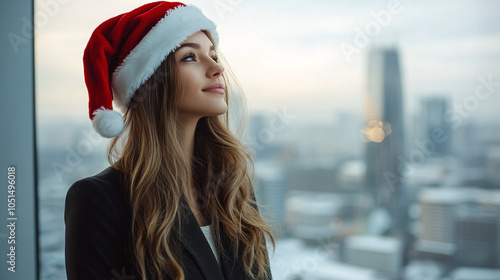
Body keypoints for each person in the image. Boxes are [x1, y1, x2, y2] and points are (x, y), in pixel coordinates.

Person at [64, 2, 275, 279]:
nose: (216, 68)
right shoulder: (99, 202)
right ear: (150, 82)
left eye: (213, 54)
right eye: (189, 57)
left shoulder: (233, 188)